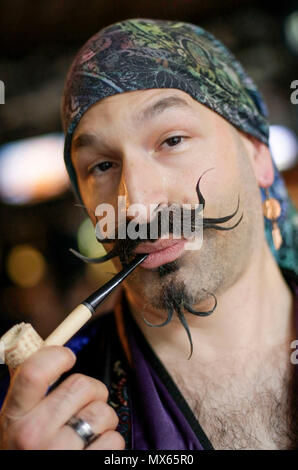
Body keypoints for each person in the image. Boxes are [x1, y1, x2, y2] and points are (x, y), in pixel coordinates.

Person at [0, 18, 298, 450]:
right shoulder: (43, 418)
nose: (135, 205)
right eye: (101, 166)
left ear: (257, 155)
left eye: (172, 140)